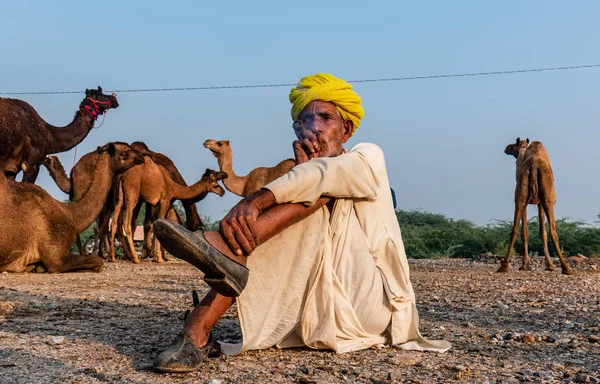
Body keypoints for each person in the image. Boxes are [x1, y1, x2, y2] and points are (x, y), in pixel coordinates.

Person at [152, 73, 451, 373]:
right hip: (313, 312)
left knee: (319, 196)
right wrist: (302, 169)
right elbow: (311, 178)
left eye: (326, 118)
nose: (315, 127)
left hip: (370, 306)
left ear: (346, 130)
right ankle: (229, 260)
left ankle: (201, 319)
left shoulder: (367, 157)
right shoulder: (299, 174)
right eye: (305, 121)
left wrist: (253, 202)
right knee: (309, 193)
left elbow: (324, 177)